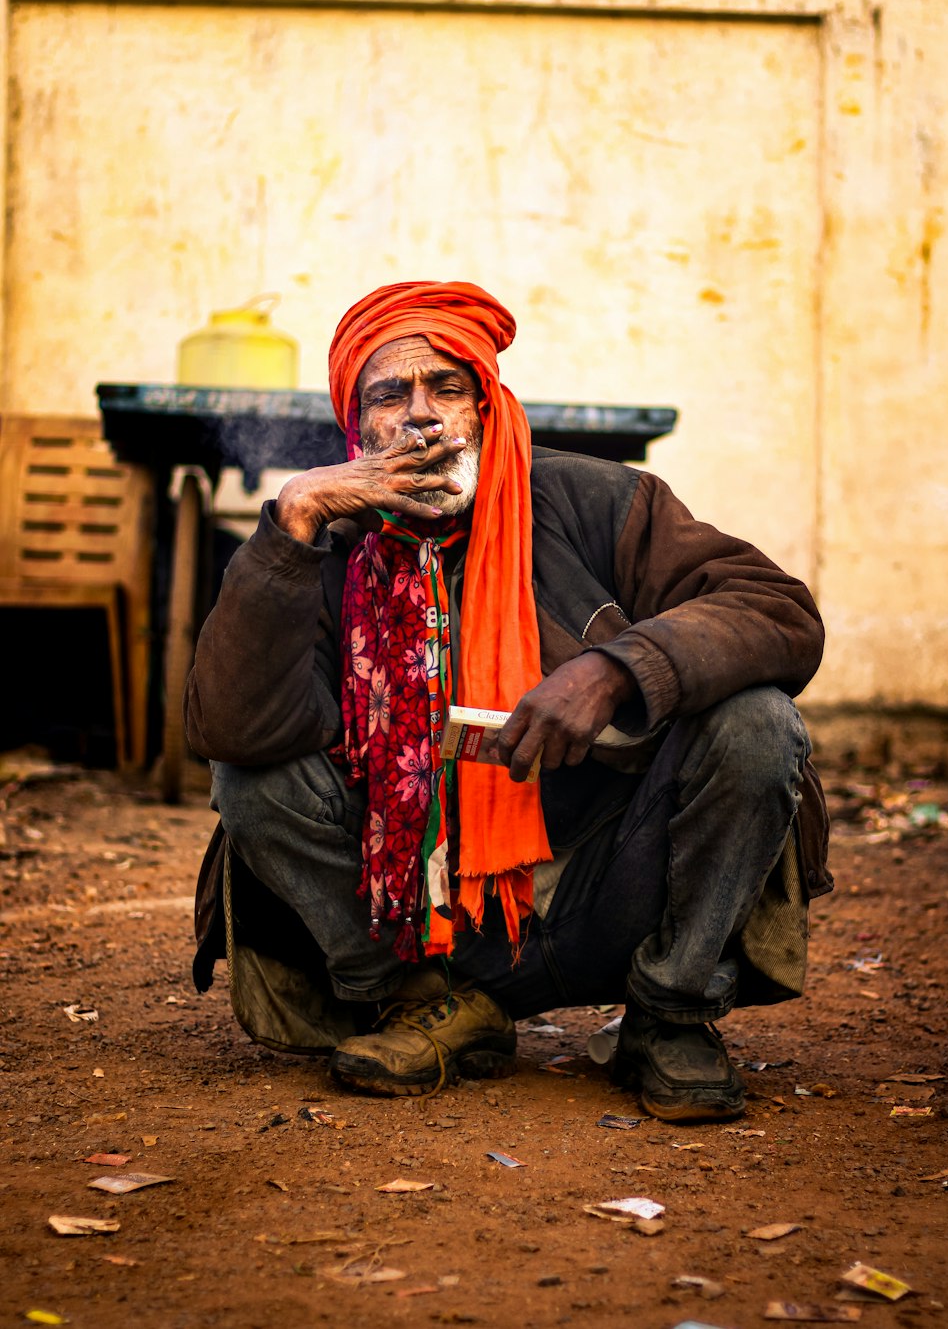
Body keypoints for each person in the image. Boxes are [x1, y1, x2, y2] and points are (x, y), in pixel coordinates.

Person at [187, 281, 830, 1124]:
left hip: (606, 881)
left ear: (487, 409)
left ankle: (671, 1014)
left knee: (758, 724)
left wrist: (616, 670)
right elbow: (232, 729)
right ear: (358, 431)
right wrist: (292, 519)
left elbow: (778, 611)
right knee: (251, 784)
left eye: (448, 388)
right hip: (415, 918)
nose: (421, 417)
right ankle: (423, 1005)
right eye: (390, 395)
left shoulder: (598, 500)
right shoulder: (322, 550)